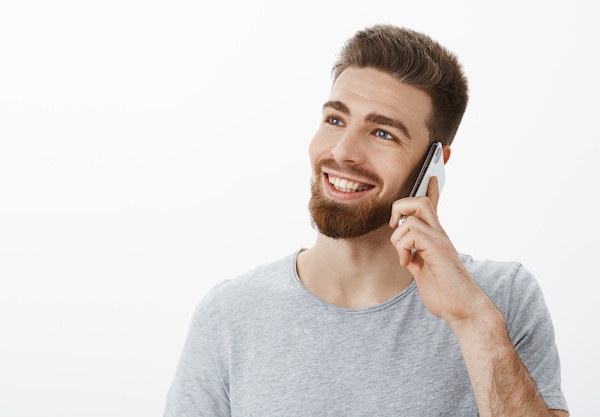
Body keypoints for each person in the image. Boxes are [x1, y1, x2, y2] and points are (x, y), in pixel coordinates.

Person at [163, 24, 568, 416]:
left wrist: (472, 322)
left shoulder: (501, 299)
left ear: (433, 165)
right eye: (335, 120)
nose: (342, 151)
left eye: (383, 134)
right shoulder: (229, 315)